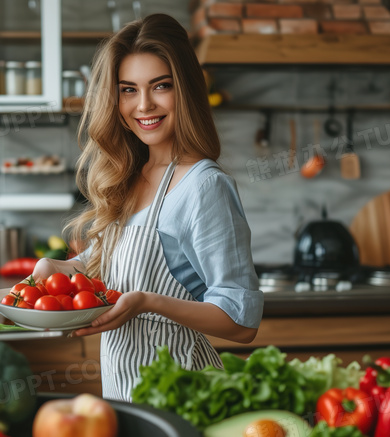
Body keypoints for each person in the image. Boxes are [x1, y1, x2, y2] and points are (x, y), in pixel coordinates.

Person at [30, 13, 263, 402]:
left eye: (160, 86)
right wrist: (56, 269)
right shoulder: (129, 174)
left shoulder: (203, 186)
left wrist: (147, 303)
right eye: (128, 90)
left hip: (184, 397)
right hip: (126, 394)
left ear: (185, 89)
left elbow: (242, 321)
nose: (144, 105)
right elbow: (103, 261)